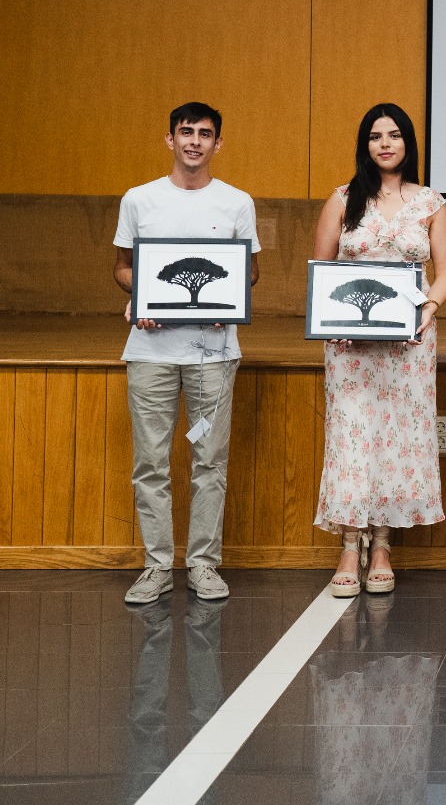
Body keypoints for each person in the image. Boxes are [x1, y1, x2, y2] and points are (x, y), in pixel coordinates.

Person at [114, 102, 261, 605]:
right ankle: (156, 567)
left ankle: (202, 565)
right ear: (169, 139)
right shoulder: (139, 199)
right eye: (185, 132)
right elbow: (123, 268)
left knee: (209, 460)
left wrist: (229, 301)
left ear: (218, 143)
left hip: (214, 356)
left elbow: (251, 272)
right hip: (150, 351)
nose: (194, 141)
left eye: (204, 134)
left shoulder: (237, 202)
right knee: (151, 462)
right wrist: (140, 302)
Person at [311, 103, 446, 596]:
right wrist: (334, 321)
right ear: (365, 145)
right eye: (376, 136)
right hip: (351, 348)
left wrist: (427, 309)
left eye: (394, 135)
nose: (385, 143)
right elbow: (321, 269)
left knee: (399, 439)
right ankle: (350, 542)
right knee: (352, 435)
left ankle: (385, 542)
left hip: (411, 344)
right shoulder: (343, 198)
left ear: (409, 143)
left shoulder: (431, 202)